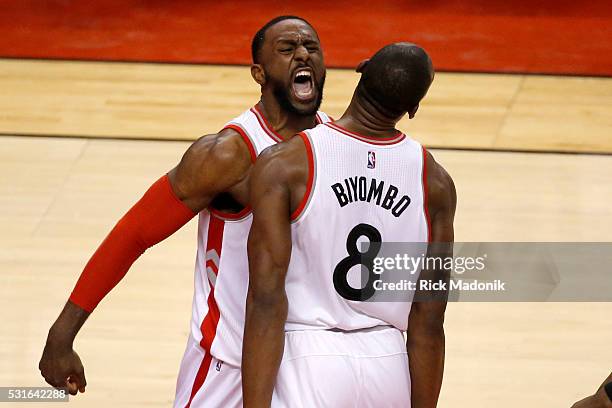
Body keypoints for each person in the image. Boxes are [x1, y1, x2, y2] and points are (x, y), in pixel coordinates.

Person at [38, 15, 330, 408]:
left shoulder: (338, 143)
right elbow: (133, 234)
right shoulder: (228, 153)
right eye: (287, 48)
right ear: (258, 73)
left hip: (315, 365)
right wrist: (62, 334)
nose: (302, 55)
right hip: (228, 368)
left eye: (311, 47)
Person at [243, 42, 456, 407]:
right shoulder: (434, 182)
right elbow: (429, 320)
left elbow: (266, 300)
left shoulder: (288, 163)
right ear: (413, 108)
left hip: (309, 354)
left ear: (362, 67)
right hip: (389, 362)